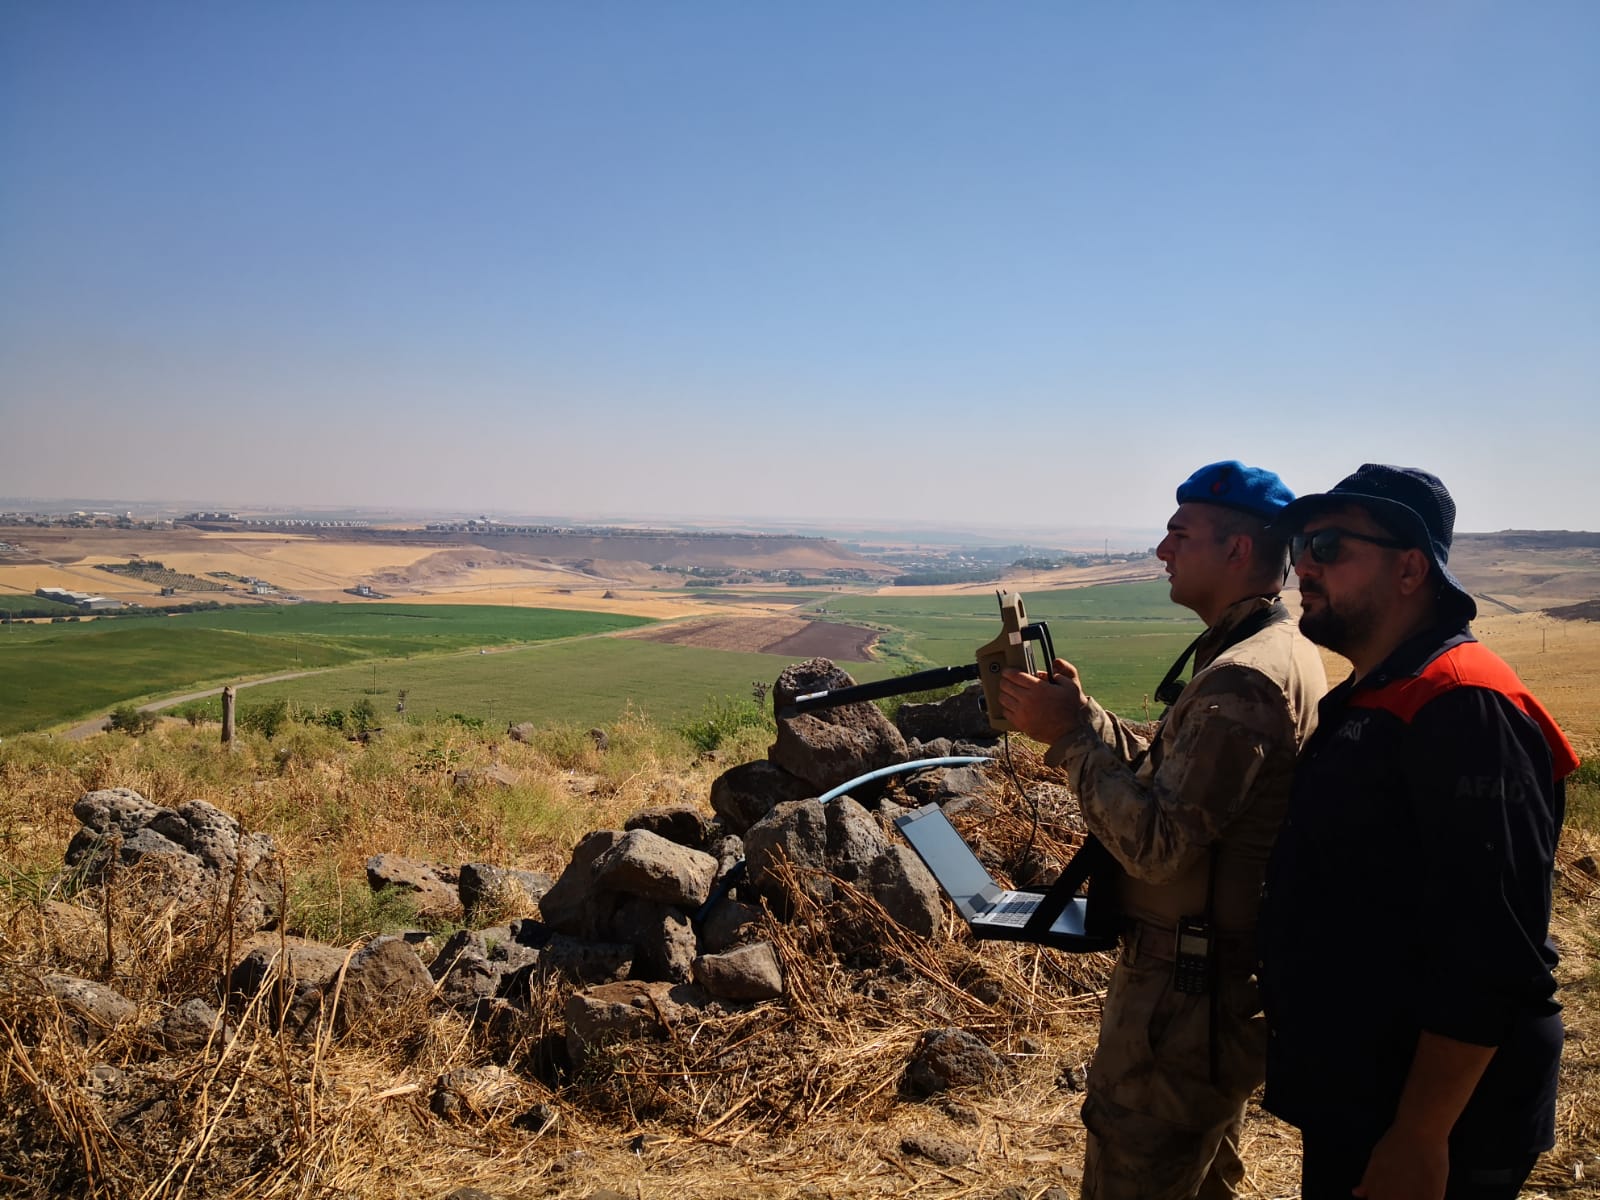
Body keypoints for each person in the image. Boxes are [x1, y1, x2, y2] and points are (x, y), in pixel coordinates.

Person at [999, 461, 1328, 1200]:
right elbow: (1179, 781)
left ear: (1237, 551)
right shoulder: (1273, 650)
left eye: (1180, 534)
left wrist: (1072, 744)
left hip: (1183, 1004)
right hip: (1209, 987)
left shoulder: (1244, 680)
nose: (1162, 550)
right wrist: (1085, 721)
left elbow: (1155, 847)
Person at [1260, 464, 1578, 1200]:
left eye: (1331, 545)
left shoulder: (1463, 705)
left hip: (1440, 1121)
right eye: (1303, 542)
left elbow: (1493, 949)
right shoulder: (1378, 695)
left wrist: (1421, 1134)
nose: (1303, 563)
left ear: (1410, 569)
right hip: (1368, 1091)